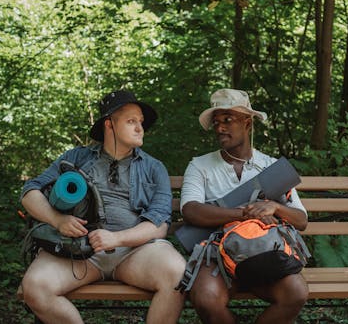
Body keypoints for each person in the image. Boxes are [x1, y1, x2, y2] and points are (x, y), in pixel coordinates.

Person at [20, 90, 186, 324]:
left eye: (140, 122)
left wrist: (116, 239)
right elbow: (30, 192)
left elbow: (158, 225)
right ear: (109, 124)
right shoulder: (77, 158)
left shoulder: (153, 167)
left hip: (136, 252)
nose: (140, 127)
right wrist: (58, 220)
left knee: (177, 274)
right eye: (131, 121)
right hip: (80, 252)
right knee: (35, 286)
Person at [180, 88, 309, 324]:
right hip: (216, 253)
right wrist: (244, 214)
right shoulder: (200, 166)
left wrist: (275, 208)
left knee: (296, 292)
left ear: (248, 123)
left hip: (263, 251)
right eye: (217, 122)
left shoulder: (271, 168)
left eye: (228, 120)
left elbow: (301, 220)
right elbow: (190, 210)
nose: (220, 128)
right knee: (207, 299)